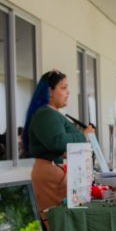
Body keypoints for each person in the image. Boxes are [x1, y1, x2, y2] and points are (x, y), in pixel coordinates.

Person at [22, 70, 94, 213]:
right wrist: (83, 135)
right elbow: (58, 141)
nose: (68, 92)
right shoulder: (45, 114)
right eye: (63, 88)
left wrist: (62, 153)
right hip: (49, 173)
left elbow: (54, 144)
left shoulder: (50, 113)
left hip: (52, 170)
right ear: (49, 91)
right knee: (57, 221)